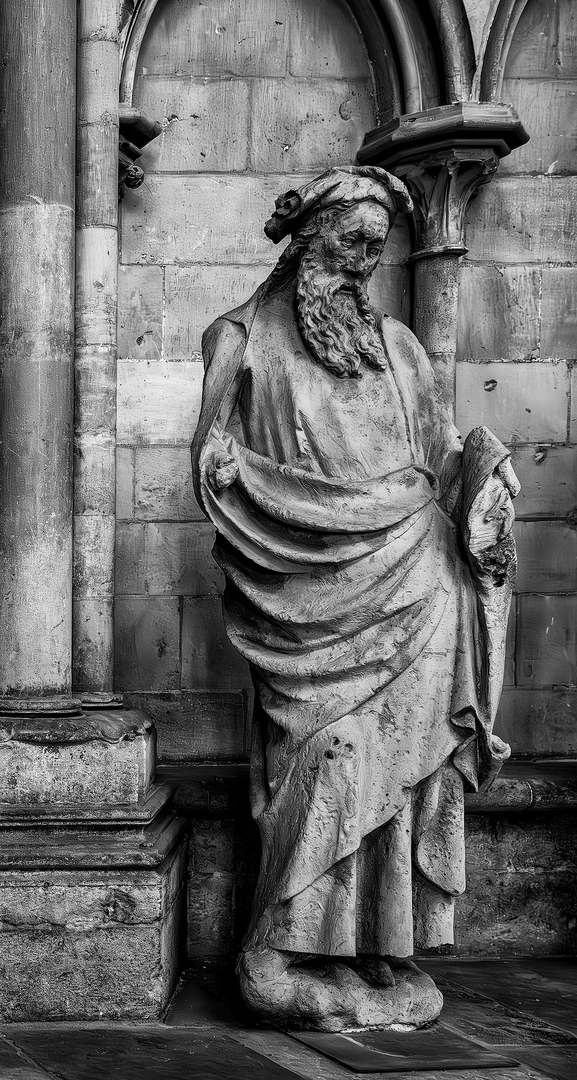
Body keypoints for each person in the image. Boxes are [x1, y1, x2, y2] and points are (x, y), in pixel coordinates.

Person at [193, 166, 517, 1030]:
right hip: (313, 599)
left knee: (408, 772)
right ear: (308, 238)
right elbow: (215, 461)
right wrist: (225, 474)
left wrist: (487, 479)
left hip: (422, 588)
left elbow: (446, 454)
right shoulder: (241, 341)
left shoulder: (402, 348)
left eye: (378, 247)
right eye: (352, 241)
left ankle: (380, 950)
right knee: (332, 756)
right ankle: (284, 950)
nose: (367, 261)